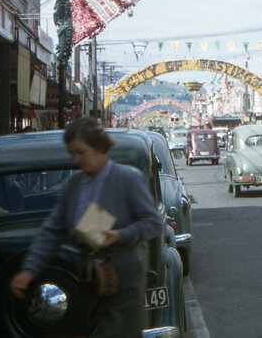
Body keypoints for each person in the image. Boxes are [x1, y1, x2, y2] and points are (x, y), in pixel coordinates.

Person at [9, 117, 163, 337]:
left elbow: (152, 223)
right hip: (89, 276)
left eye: (81, 152)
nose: (77, 159)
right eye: (72, 153)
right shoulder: (73, 185)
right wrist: (28, 270)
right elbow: (52, 231)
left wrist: (119, 235)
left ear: (99, 147)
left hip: (123, 274)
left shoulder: (127, 178)